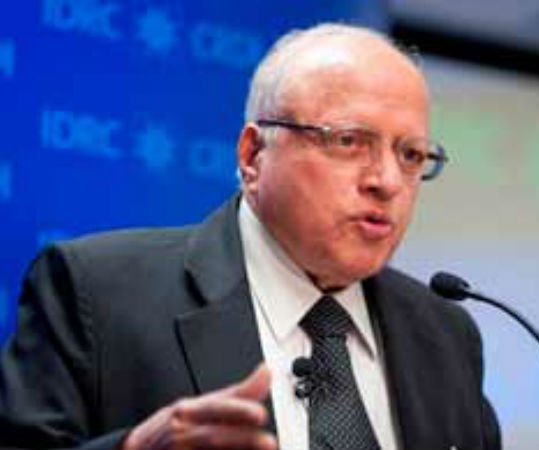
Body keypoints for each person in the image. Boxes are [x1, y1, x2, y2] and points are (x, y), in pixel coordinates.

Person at [0, 23, 501, 450]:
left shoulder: (445, 335)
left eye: (410, 155)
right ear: (253, 156)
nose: (387, 181)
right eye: (349, 141)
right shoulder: (97, 292)